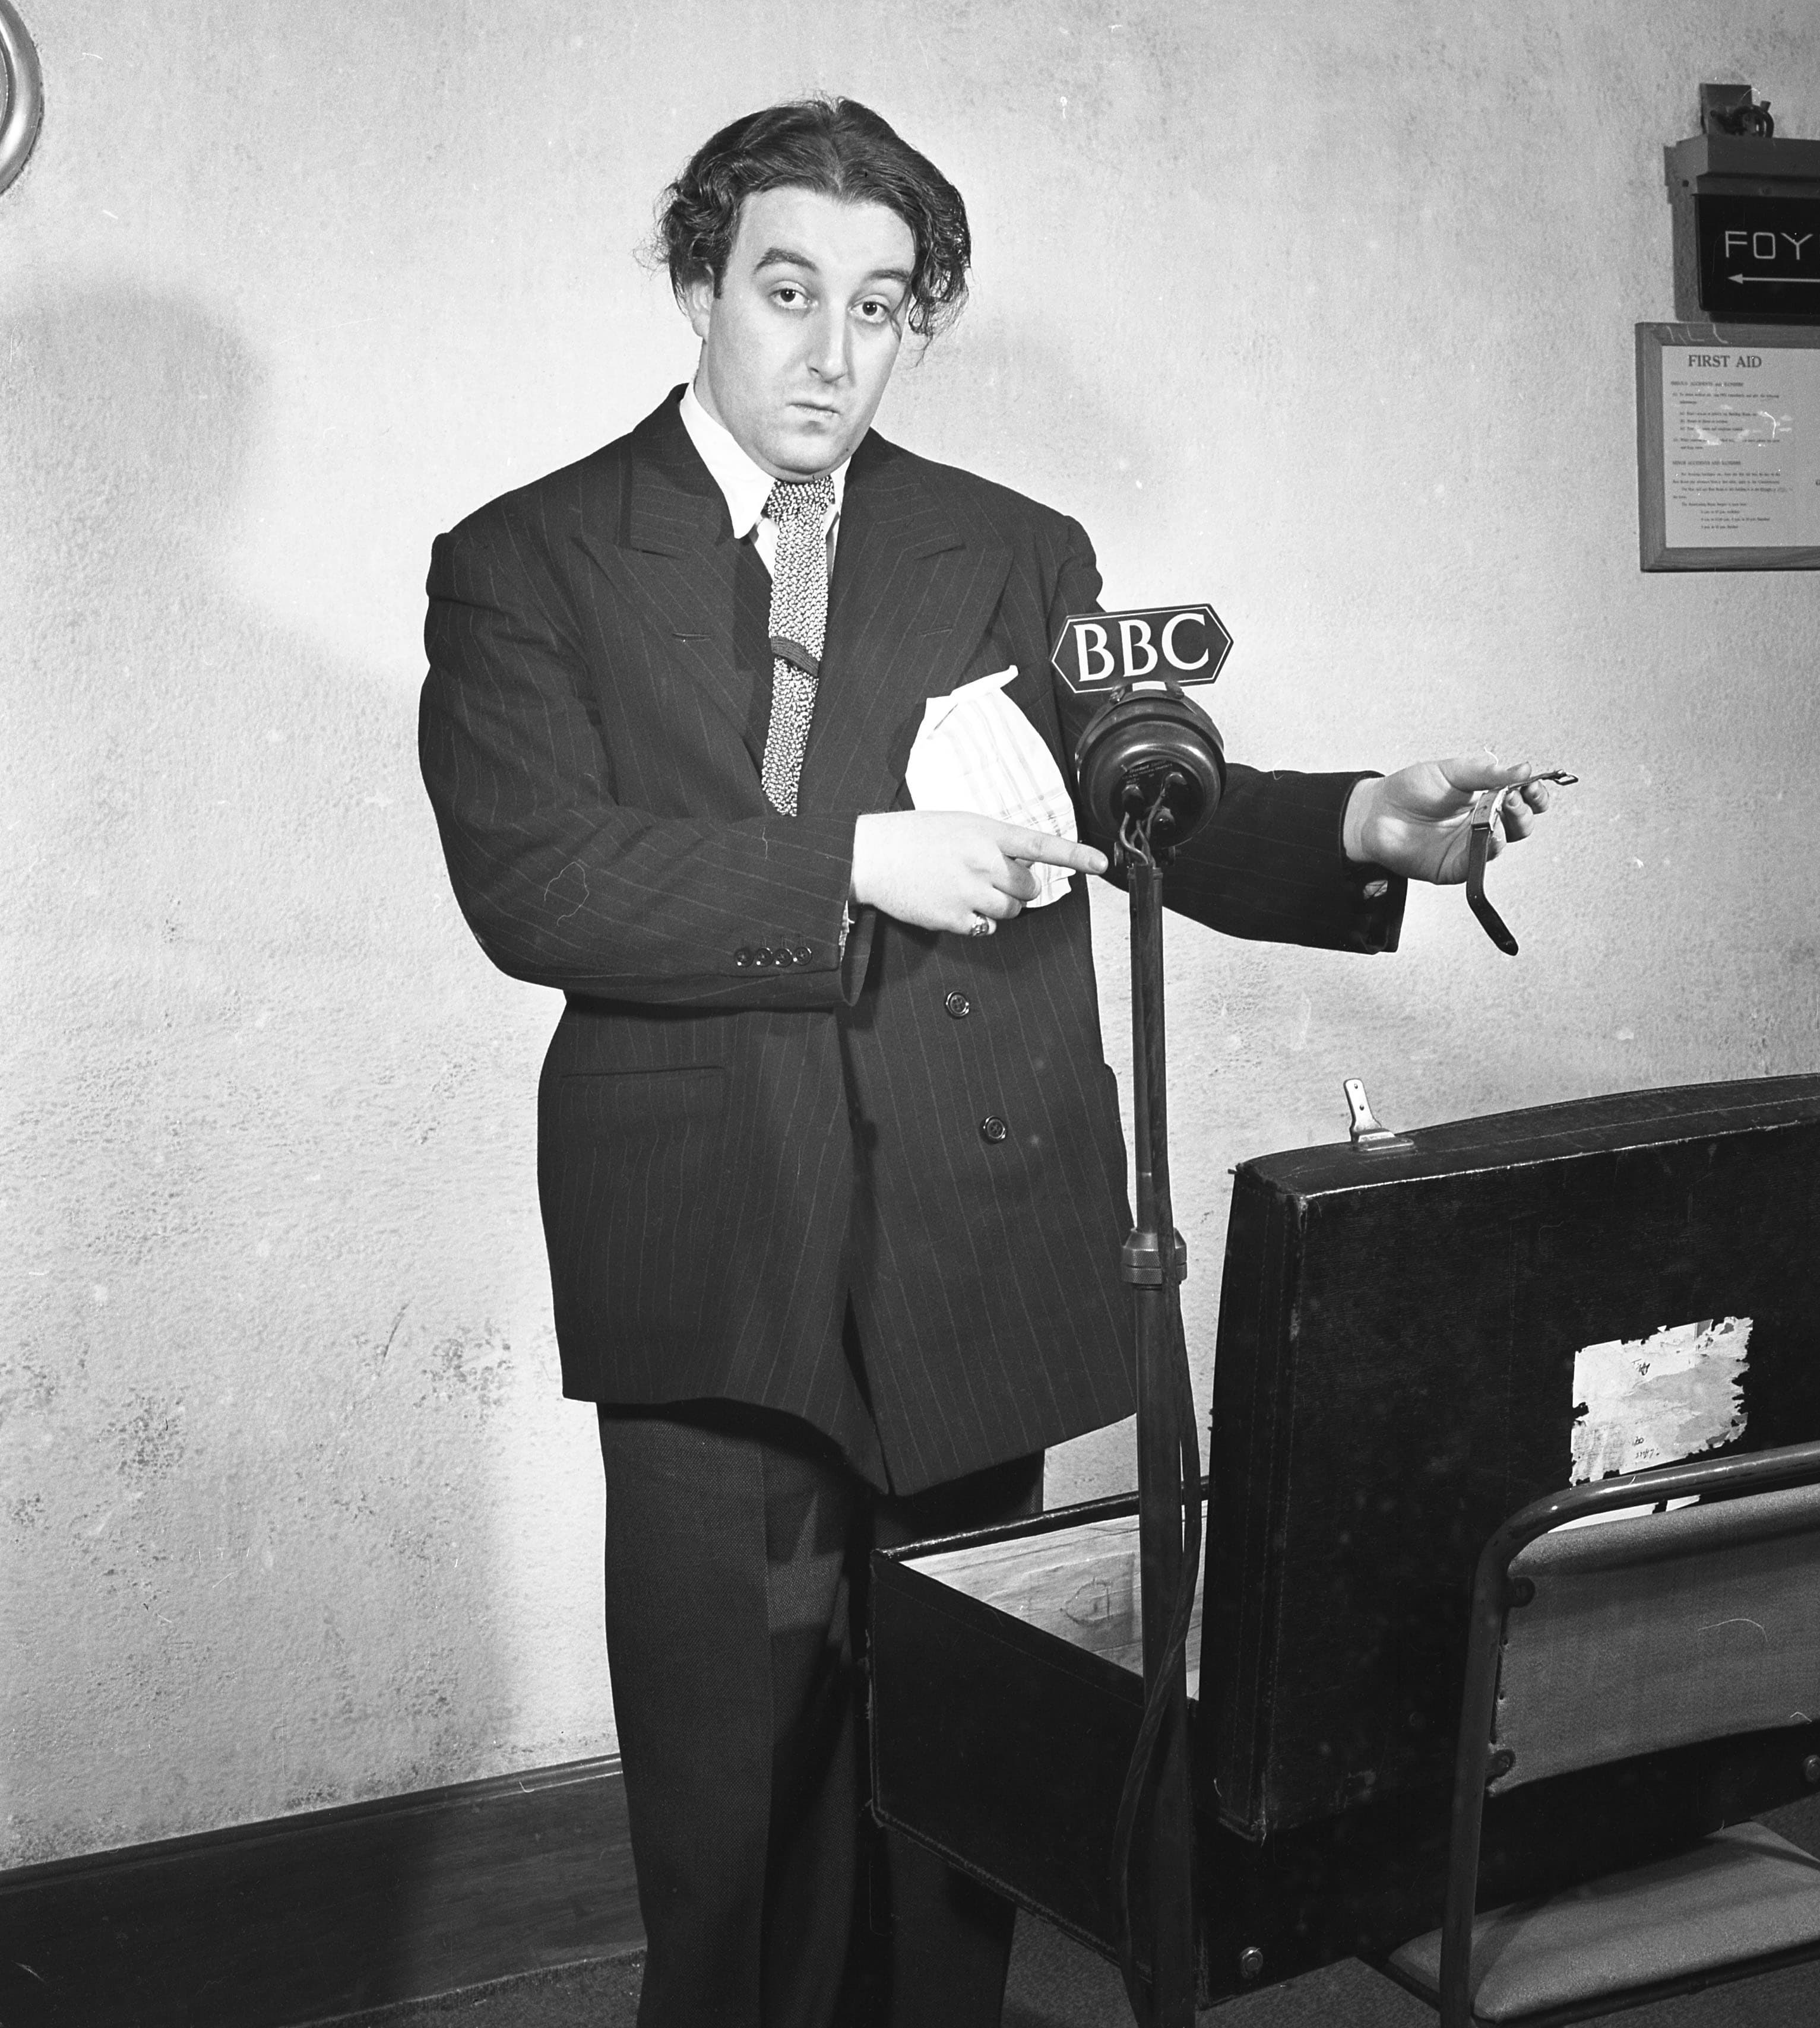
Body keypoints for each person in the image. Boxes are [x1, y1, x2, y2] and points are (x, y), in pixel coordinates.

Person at [418, 97, 1553, 2028]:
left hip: (973, 1217)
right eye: (787, 291)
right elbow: (537, 877)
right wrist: (853, 862)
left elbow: (1132, 788)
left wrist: (1359, 822)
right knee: (731, 1800)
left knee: (957, 1765)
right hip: (710, 1244)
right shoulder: (527, 559)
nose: (830, 353)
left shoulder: (1017, 549)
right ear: (699, 285)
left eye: (879, 307)